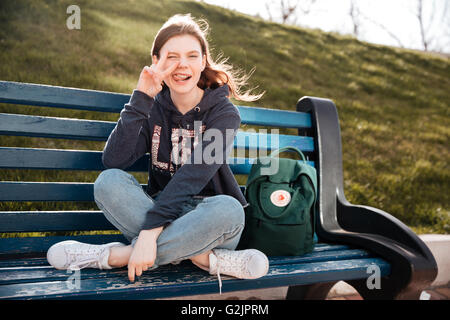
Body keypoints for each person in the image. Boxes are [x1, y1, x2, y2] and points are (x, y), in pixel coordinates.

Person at [46, 14, 268, 293]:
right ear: (156, 61)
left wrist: (149, 234)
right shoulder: (151, 107)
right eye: (171, 56)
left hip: (208, 221)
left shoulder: (224, 114)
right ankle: (204, 259)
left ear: (203, 61)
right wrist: (141, 98)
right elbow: (114, 161)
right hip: (160, 211)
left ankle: (114, 256)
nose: (182, 64)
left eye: (191, 55)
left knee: (230, 209)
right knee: (108, 181)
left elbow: (193, 176)